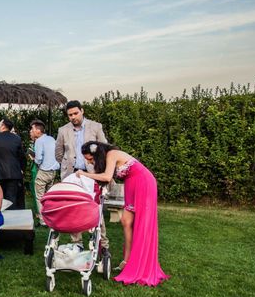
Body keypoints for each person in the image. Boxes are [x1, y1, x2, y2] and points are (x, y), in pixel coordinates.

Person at [76, 141, 169, 286]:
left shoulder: (111, 154)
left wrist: (83, 173)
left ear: (97, 153)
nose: (90, 161)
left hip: (143, 183)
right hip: (132, 185)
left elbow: (106, 177)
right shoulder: (107, 159)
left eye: (90, 158)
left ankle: (140, 265)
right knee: (126, 221)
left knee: (142, 223)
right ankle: (127, 261)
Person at [55, 100, 110, 254]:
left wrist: (97, 167)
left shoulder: (95, 126)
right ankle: (77, 243)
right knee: (73, 207)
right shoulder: (63, 130)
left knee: (96, 206)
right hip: (72, 175)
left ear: (82, 111)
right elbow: (58, 153)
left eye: (75, 113)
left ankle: (102, 244)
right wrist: (67, 166)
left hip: (92, 175)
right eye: (70, 115)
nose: (73, 117)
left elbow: (104, 149)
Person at [29, 119, 60, 226]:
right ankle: (51, 217)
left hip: (43, 171)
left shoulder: (39, 141)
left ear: (38, 131)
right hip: (53, 172)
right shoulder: (51, 139)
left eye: (32, 129)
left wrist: (33, 158)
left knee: (40, 197)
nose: (31, 131)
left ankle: (43, 220)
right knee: (49, 197)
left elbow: (38, 159)